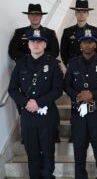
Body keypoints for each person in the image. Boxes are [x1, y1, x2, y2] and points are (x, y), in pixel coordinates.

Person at [8, 29, 63, 179]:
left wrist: (38, 103)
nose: (36, 44)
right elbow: (12, 89)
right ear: (28, 44)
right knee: (32, 154)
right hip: (27, 117)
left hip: (47, 117)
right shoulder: (20, 64)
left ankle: (47, 176)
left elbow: (57, 89)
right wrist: (27, 103)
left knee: (47, 152)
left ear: (45, 44)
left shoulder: (53, 64)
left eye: (39, 41)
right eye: (33, 41)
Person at [63, 29, 97, 179]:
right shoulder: (73, 63)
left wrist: (93, 94)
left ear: (95, 44)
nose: (87, 45)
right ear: (80, 45)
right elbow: (66, 85)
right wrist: (78, 96)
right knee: (79, 150)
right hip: (78, 113)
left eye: (90, 42)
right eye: (84, 42)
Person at [60, 0, 97, 67]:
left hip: (91, 67)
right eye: (78, 11)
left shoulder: (96, 31)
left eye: (84, 12)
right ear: (75, 13)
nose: (81, 14)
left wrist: (94, 65)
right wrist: (69, 64)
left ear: (88, 14)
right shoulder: (67, 32)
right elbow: (63, 52)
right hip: (73, 67)